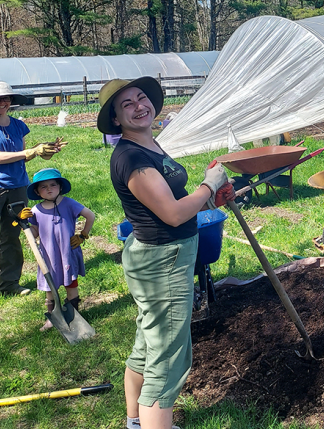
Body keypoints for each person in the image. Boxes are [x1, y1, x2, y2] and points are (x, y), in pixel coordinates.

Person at [97, 76, 233, 429]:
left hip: (159, 255)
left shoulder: (149, 144)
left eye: (142, 98)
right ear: (115, 119)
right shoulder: (131, 157)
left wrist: (209, 193)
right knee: (169, 358)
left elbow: (174, 195)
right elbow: (172, 214)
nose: (139, 106)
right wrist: (208, 185)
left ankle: (135, 422)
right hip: (164, 260)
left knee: (148, 344)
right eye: (127, 104)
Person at [0, 81, 64, 296]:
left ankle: (9, 284)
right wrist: (29, 152)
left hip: (17, 187)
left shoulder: (18, 126)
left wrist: (43, 152)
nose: (3, 102)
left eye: (6, 99)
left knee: (10, 237)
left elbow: (20, 158)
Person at [18, 168, 95, 331]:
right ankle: (52, 318)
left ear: (60, 186)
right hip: (49, 256)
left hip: (68, 253)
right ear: (38, 192)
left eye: (53, 185)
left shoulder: (69, 203)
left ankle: (74, 316)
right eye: (43, 187)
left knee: (71, 285)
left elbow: (90, 215)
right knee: (50, 287)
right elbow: (34, 232)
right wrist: (23, 224)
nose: (49, 189)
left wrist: (83, 235)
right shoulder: (36, 211)